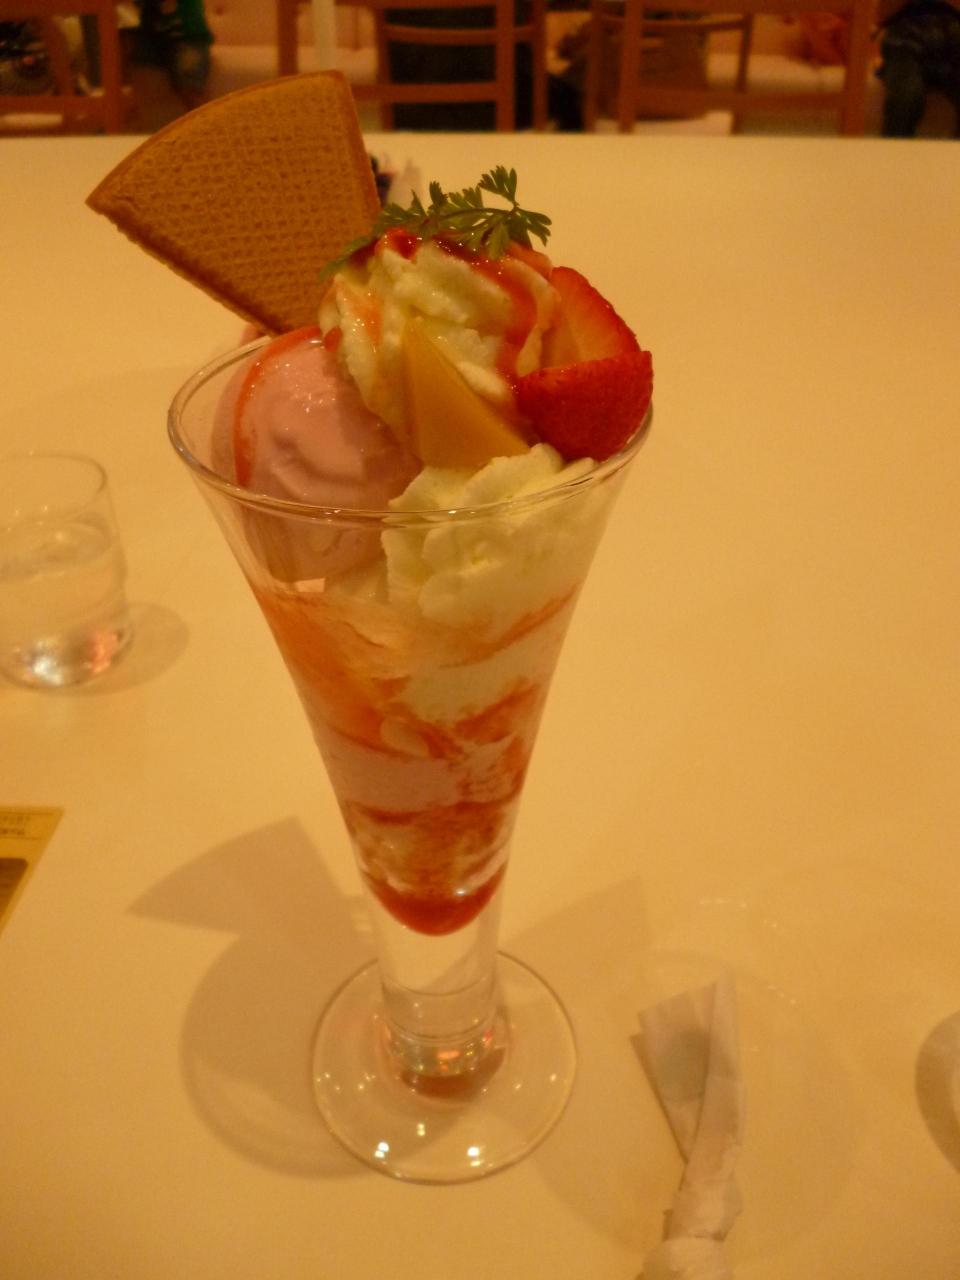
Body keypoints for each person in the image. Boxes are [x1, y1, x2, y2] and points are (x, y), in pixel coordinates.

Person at [876, 0, 960, 135]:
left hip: (952, 33)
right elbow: (881, 13)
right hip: (904, 39)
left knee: (904, 96)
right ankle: (895, 146)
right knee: (904, 97)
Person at [132, 0, 213, 107]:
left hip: (187, 36)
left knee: (191, 87)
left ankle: (205, 115)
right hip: (153, 36)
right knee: (133, 69)